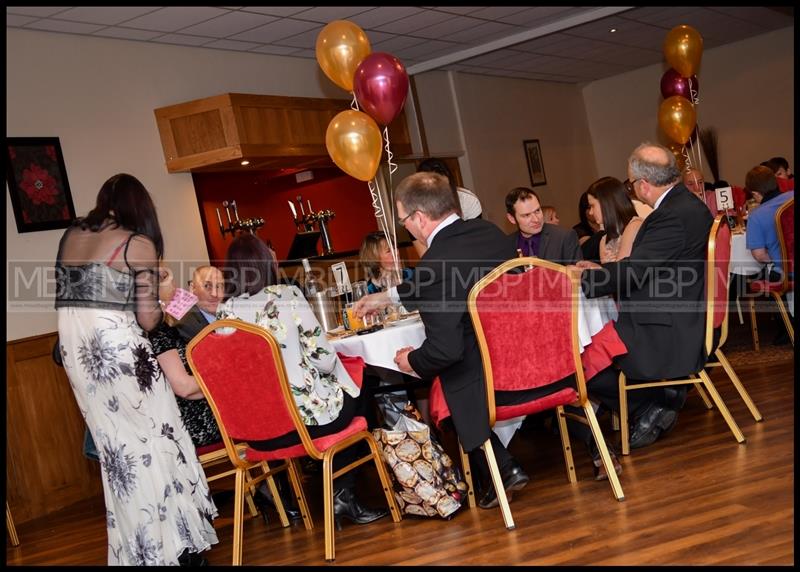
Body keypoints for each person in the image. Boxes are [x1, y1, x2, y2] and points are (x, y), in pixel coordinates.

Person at [54, 173, 217, 566]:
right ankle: (179, 548)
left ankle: (145, 551)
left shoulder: (71, 235)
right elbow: (147, 320)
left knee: (120, 458)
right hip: (120, 352)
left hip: (80, 356)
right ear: (142, 209)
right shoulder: (137, 244)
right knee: (159, 440)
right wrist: (163, 297)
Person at [353, 171, 530, 511]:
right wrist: (388, 297)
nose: (406, 226)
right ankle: (502, 469)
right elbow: (452, 279)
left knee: (445, 382)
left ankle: (501, 470)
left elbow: (443, 349)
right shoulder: (490, 234)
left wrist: (412, 361)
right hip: (530, 360)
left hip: (490, 376)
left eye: (404, 219)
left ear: (419, 218)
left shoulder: (433, 263)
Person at [216, 233, 389, 527]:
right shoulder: (286, 296)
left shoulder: (225, 312)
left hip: (260, 428)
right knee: (362, 388)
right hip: (302, 421)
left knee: (351, 390)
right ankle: (343, 492)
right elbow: (324, 358)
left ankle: (336, 489)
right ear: (263, 263)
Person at [568, 143, 714, 450]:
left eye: (632, 184)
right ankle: (659, 399)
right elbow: (647, 265)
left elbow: (636, 270)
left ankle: (645, 406)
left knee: (579, 359)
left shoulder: (670, 216)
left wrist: (583, 280)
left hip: (666, 324)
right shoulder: (687, 205)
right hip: (680, 307)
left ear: (644, 185)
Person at [505, 187, 582, 264]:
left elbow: (577, 274)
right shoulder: (506, 245)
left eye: (537, 210)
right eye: (527, 215)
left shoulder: (564, 237)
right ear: (512, 219)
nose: (536, 219)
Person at [744, 165, 794, 282]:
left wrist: (778, 256)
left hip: (786, 272)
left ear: (755, 193)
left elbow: (760, 256)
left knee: (751, 279)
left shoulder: (756, 216)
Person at [587, 177, 644, 263]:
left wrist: (608, 267)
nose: (590, 212)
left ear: (606, 203)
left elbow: (623, 270)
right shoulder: (604, 240)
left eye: (592, 206)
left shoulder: (634, 225)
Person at [173, 265, 226, 342]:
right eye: (207, 286)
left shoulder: (235, 314)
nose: (215, 294)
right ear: (192, 288)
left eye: (219, 286)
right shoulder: (184, 327)